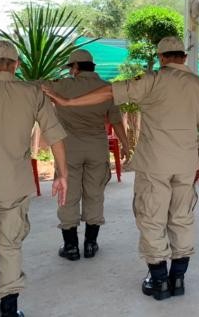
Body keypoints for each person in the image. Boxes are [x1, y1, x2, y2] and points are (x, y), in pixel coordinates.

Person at [42, 37, 199, 301]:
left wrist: (68, 102)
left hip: (155, 164)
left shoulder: (152, 80)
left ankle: (159, 281)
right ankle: (178, 279)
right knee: (182, 217)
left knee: (152, 218)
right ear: (184, 57)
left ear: (161, 57)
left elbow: (110, 92)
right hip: (186, 163)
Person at [0, 41, 68, 317]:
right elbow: (55, 135)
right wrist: (62, 174)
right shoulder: (32, 93)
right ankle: (9, 310)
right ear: (16, 65)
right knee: (10, 247)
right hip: (14, 185)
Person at [42, 49, 129, 261]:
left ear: (75, 67)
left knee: (68, 195)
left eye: (70, 68)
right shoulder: (106, 88)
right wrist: (126, 145)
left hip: (68, 149)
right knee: (94, 194)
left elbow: (36, 87)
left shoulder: (62, 85)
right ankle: (91, 244)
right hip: (97, 148)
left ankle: (71, 246)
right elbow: (116, 120)